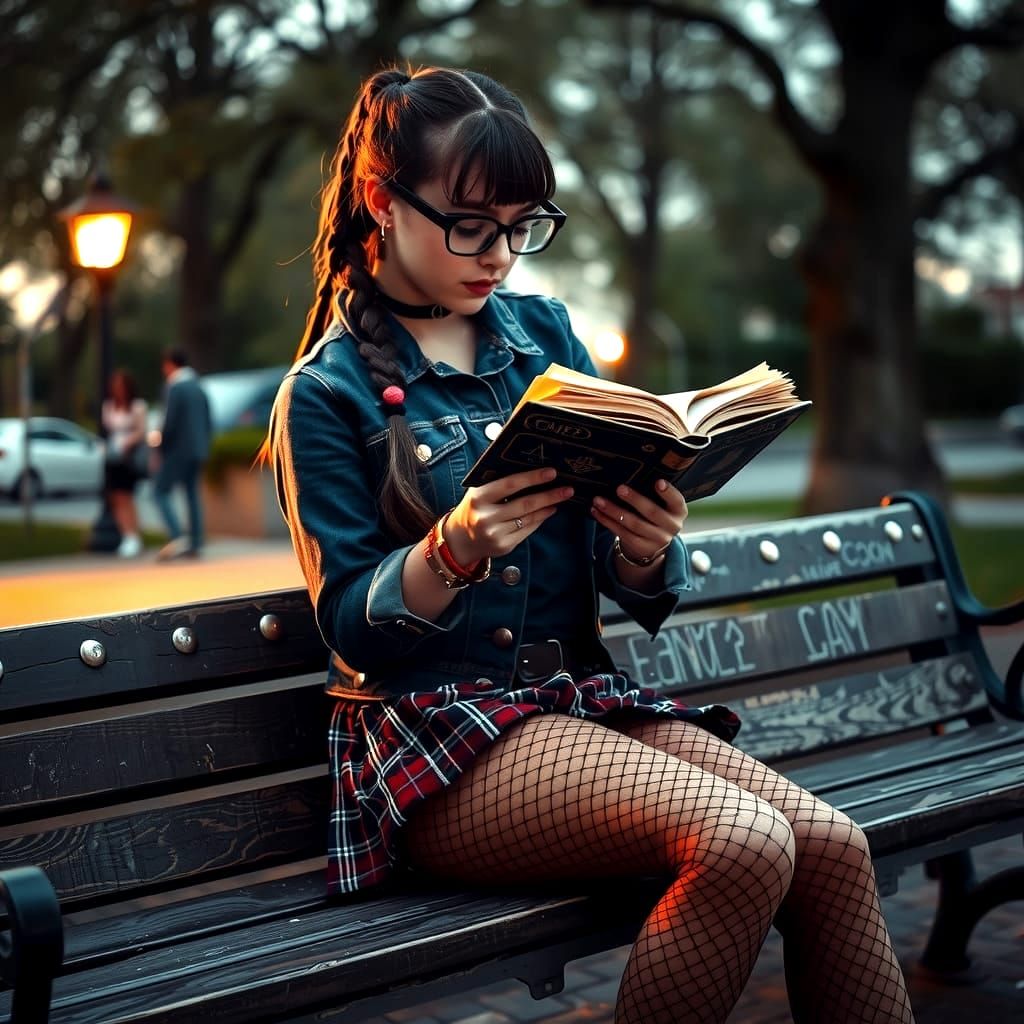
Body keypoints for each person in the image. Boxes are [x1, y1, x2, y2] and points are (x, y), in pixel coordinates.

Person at [268, 66, 916, 1024]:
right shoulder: (326, 396)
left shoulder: (544, 336)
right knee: (740, 840)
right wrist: (452, 549)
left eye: (524, 226)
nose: (500, 256)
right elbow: (351, 628)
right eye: (471, 225)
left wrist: (648, 547)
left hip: (575, 704)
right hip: (435, 745)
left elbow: (624, 575)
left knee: (830, 846)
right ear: (380, 200)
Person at [154, 347, 211, 560]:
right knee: (192, 494)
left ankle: (178, 536)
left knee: (159, 491)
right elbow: (207, 419)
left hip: (179, 449)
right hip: (198, 449)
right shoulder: (198, 386)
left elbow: (169, 423)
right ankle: (196, 542)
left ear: (170, 364)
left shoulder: (175, 388)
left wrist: (160, 447)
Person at [101, 368, 148, 558]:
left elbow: (142, 431)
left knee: (127, 497)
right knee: (116, 497)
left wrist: (128, 443)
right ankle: (126, 534)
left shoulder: (137, 407)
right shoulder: (109, 406)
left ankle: (134, 535)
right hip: (113, 456)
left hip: (129, 457)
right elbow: (109, 430)